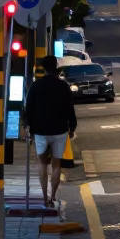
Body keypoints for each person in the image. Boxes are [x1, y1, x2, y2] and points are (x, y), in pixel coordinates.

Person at [24, 55, 77, 207]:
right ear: (56, 67)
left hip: (40, 130)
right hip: (60, 129)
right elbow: (70, 108)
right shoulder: (63, 86)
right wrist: (72, 127)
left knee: (42, 163)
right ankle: (53, 196)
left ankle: (44, 197)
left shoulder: (36, 86)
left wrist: (27, 126)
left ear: (43, 68)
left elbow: (29, 108)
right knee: (56, 164)